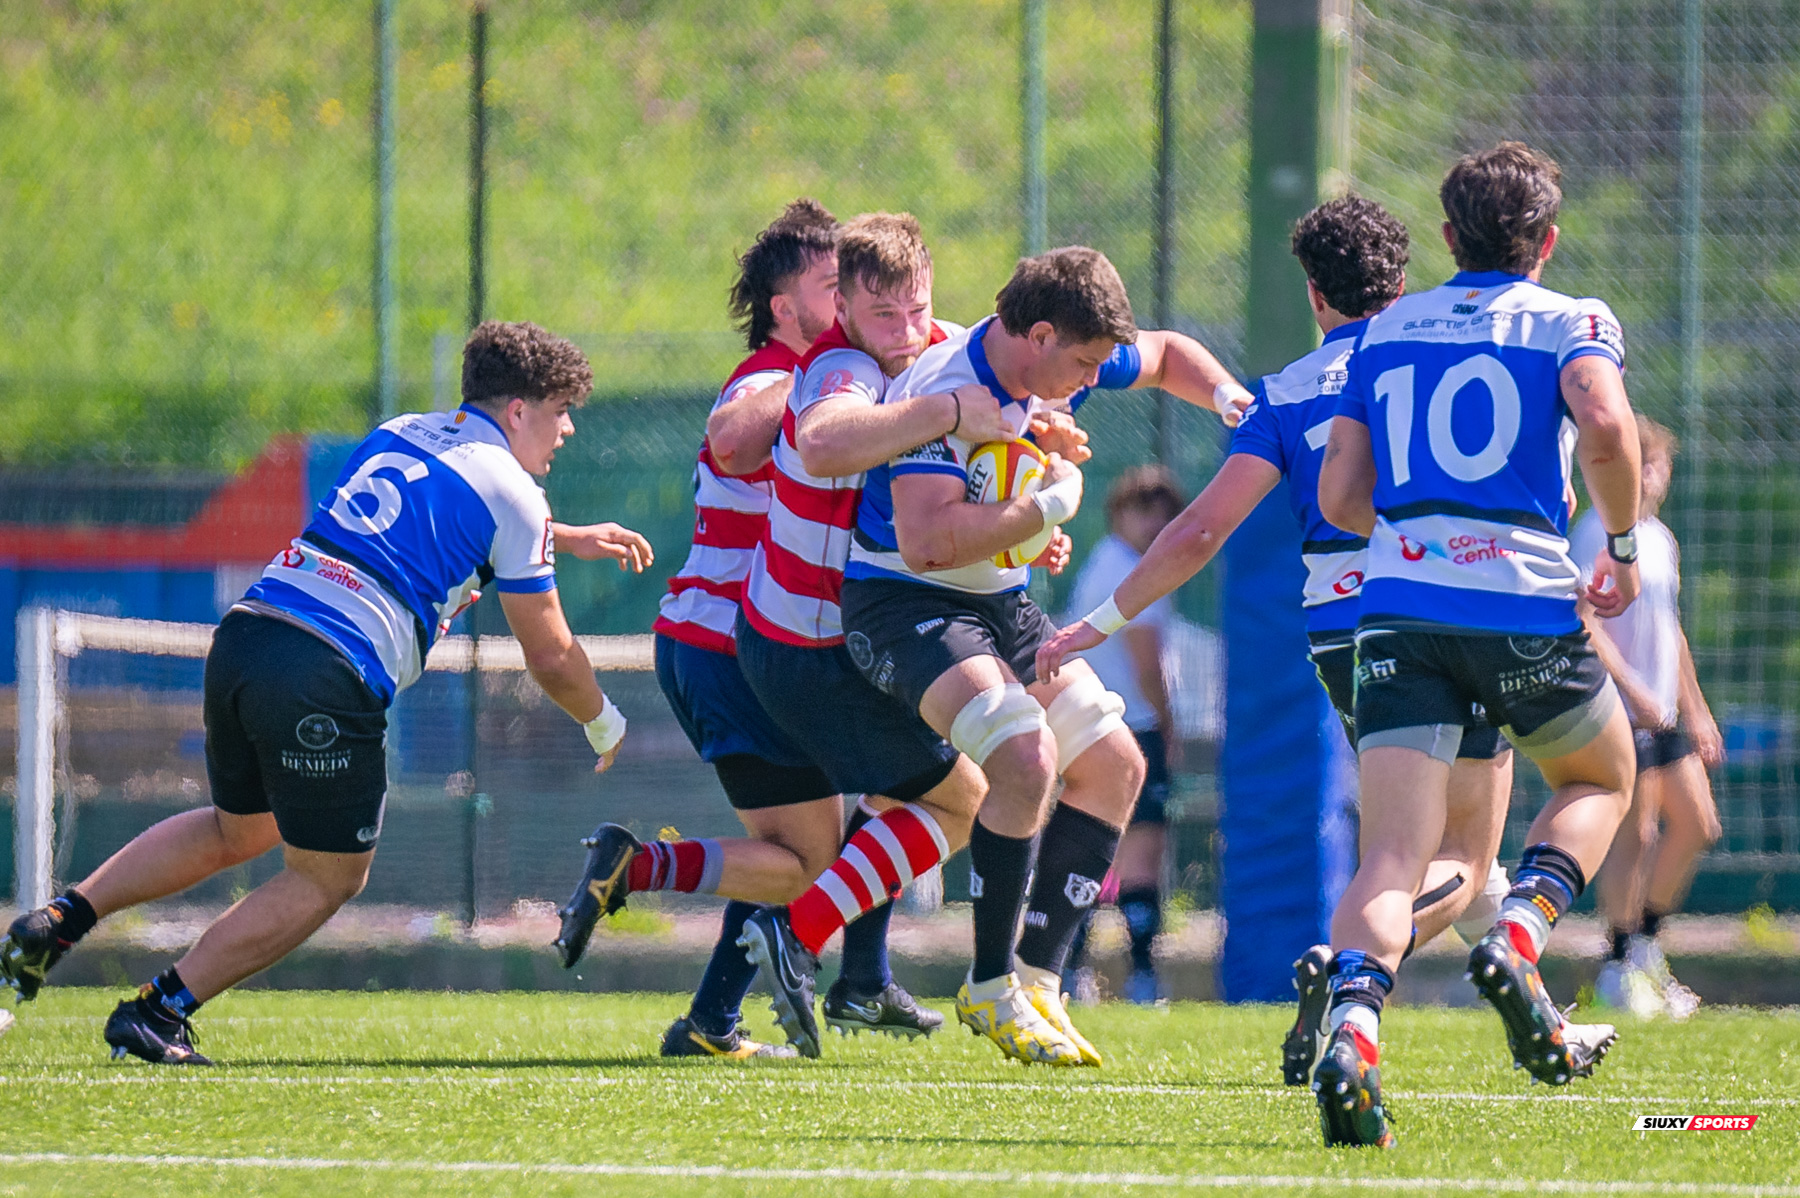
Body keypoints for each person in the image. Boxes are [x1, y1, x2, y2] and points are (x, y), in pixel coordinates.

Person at [0, 322, 638, 1065]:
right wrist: (603, 721)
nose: (568, 428)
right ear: (519, 409)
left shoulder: (403, 432)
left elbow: (436, 512)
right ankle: (159, 1010)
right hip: (326, 671)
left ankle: (61, 919)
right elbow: (553, 655)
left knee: (238, 831)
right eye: (561, 409)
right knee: (329, 877)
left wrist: (559, 534)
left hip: (248, 636)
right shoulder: (516, 497)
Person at [1037, 197, 1516, 1089]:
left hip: (1342, 639)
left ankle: (1378, 978)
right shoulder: (1442, 361)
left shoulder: (1288, 393)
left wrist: (1095, 622)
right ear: (1403, 282)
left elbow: (1198, 533)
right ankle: (1364, 978)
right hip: (1442, 614)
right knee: (1466, 859)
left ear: (1313, 292)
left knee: (1388, 852)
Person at [747, 246, 1252, 1068]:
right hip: (904, 604)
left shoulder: (1060, 361)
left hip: (998, 606)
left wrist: (1231, 399)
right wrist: (1043, 507)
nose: (1088, 381)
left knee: (1117, 766)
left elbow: (1164, 356)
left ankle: (1040, 985)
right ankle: (986, 986)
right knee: (1024, 756)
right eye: (1081, 364)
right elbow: (930, 541)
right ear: (1040, 335)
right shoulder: (940, 386)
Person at [553, 199, 942, 1057]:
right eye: (831, 286)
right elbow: (733, 437)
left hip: (727, 641)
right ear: (784, 306)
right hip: (735, 643)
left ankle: (716, 1018)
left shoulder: (854, 367)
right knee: (837, 838)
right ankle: (847, 975)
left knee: (813, 835)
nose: (848, 302)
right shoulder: (775, 370)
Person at [1312, 142, 1642, 1146]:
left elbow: (1338, 498)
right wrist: (1618, 547)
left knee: (1392, 856)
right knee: (1601, 778)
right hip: (1520, 603)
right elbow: (1607, 424)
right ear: (1546, 240)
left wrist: (1419, 526)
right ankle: (1519, 931)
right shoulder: (1570, 320)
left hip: (1400, 608)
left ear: (1449, 238)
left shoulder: (1384, 330)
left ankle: (1355, 1032)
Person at [718, 211, 1004, 1059]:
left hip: (827, 642)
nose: (907, 331)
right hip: (800, 653)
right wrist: (953, 406)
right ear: (841, 306)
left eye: (917, 308)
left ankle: (848, 977)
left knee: (903, 803)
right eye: (886, 316)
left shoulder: (923, 343)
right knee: (961, 800)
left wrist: (1038, 448)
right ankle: (800, 942)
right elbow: (826, 438)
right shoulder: (838, 367)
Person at [1575, 414, 1723, 1020]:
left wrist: (1698, 710)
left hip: (1664, 714)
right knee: (1634, 836)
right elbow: (1584, 622)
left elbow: (1671, 631)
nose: (1656, 475)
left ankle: (1643, 948)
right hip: (1618, 707)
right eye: (1648, 462)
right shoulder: (1596, 534)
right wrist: (1633, 689)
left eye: (1660, 464)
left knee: (1697, 827)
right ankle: (1616, 967)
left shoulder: (1659, 540)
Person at [1058, 465, 1188, 1005]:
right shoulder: (1132, 571)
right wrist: (1169, 723)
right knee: (1138, 854)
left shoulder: (1104, 561)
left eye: (1165, 512)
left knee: (1094, 849)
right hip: (1129, 726)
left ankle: (1067, 972)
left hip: (1088, 723)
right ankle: (1136, 979)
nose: (1155, 522)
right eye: (1143, 509)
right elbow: (1146, 661)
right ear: (1118, 513)